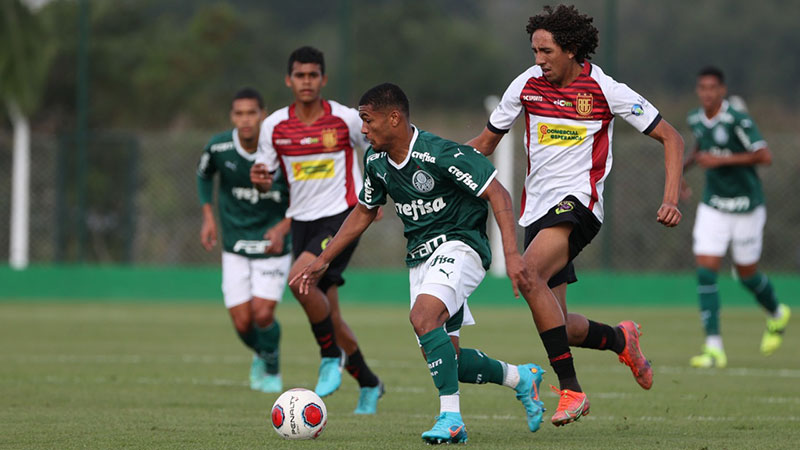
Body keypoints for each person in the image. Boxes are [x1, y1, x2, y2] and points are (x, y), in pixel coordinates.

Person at [292, 83, 546, 444]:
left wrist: (512, 254)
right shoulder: (377, 162)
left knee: (423, 318)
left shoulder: (441, 154)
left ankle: (451, 419)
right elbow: (365, 211)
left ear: (393, 118)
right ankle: (522, 379)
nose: (363, 129)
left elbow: (497, 192)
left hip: (462, 245)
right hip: (421, 258)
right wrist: (323, 260)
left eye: (368, 120)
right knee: (449, 359)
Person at [466, 5, 684, 426]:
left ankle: (572, 390)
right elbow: (485, 143)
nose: (538, 60)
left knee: (527, 274)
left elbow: (670, 137)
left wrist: (671, 197)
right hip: (538, 211)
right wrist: (436, 159)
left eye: (546, 51)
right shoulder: (526, 85)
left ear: (571, 49)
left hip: (580, 204)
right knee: (562, 326)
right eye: (534, 50)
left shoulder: (605, 89)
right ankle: (623, 339)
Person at [250, 46, 383, 414]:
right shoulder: (274, 125)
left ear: (323, 79)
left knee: (299, 281)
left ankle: (329, 358)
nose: (306, 81)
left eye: (313, 75)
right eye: (299, 75)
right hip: (302, 221)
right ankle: (370, 383)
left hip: (341, 216)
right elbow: (266, 178)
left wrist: (375, 193)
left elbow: (378, 147)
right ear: (288, 80)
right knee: (330, 316)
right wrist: (260, 180)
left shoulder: (344, 119)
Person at [684, 66, 790, 368]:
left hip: (746, 207)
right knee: (706, 270)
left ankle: (777, 313)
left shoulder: (738, 119)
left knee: (747, 275)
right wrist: (679, 175)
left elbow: (764, 155)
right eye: (701, 88)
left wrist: (722, 161)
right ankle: (713, 347)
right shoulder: (695, 118)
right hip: (714, 206)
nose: (706, 93)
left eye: (712, 88)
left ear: (722, 90)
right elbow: (700, 147)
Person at [197, 87, 291, 393]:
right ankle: (262, 355)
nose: (245, 119)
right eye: (239, 113)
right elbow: (203, 176)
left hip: (272, 244)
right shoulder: (219, 147)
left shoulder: (281, 150)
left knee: (263, 313)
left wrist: (283, 227)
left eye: (251, 112)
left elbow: (305, 196)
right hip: (235, 243)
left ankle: (273, 368)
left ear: (263, 114)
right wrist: (209, 217)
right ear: (232, 116)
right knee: (241, 322)